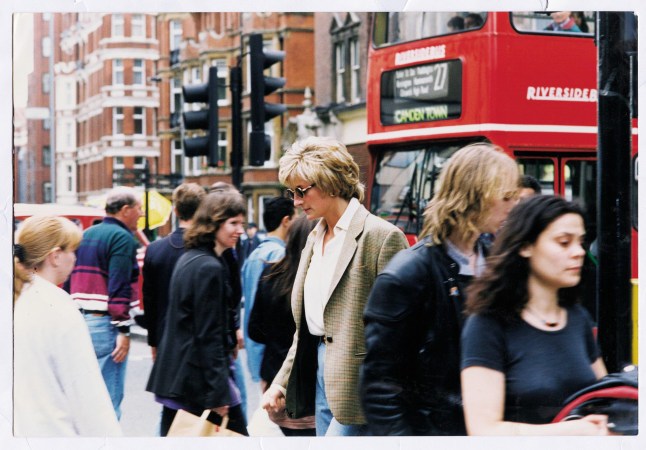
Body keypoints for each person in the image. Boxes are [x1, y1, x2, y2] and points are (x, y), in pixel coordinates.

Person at [360, 143, 520, 436]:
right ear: (475, 195)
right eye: (506, 196)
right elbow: (380, 386)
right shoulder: (406, 275)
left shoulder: (497, 261)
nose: (514, 206)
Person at [261, 136, 409, 437]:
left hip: (361, 385)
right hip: (319, 372)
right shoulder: (314, 237)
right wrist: (280, 382)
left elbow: (401, 329)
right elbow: (309, 327)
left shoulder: (381, 237)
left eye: (302, 191)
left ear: (330, 182)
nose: (296, 202)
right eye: (292, 192)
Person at [461, 195, 609, 435]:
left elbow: (605, 395)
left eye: (581, 242)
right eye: (563, 242)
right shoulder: (487, 324)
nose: (578, 252)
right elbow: (483, 431)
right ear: (525, 246)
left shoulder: (577, 318)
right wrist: (572, 432)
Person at [146, 190, 249, 436]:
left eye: (241, 223)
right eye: (233, 223)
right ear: (213, 223)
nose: (240, 230)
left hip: (182, 377)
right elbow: (207, 334)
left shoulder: (192, 258)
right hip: (199, 381)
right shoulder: (209, 267)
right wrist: (217, 393)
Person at [14, 216, 121, 437]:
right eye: (73, 251)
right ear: (55, 256)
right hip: (54, 433)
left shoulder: (15, 298)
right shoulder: (59, 308)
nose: (75, 258)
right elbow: (86, 396)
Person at [68, 186, 144, 420]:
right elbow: (119, 285)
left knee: (86, 397)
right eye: (138, 209)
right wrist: (123, 329)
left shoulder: (87, 234)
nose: (141, 214)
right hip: (105, 324)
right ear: (125, 210)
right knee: (108, 401)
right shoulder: (122, 238)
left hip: (81, 320)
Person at [248, 215, 317, 436]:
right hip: (311, 384)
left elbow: (254, 329)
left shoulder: (270, 274)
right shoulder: (318, 280)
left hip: (273, 375)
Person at [142, 182, 205, 362]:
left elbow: (150, 301)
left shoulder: (155, 250)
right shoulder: (211, 248)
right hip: (201, 340)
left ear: (175, 211)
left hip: (166, 336)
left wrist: (153, 341)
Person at [241, 196, 296, 385]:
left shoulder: (255, 254)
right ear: (286, 221)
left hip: (257, 349)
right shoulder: (278, 256)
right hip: (272, 352)